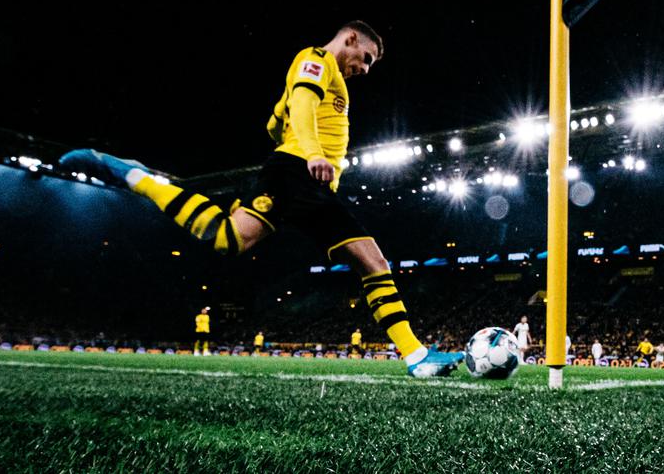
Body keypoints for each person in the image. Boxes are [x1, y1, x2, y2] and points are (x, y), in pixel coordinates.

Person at [60, 22, 463, 378]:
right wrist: (313, 151)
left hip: (297, 176)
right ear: (351, 38)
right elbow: (302, 103)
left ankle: (138, 177)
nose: (365, 68)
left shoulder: (327, 77)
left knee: (231, 239)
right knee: (371, 261)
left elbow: (275, 121)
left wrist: (291, 133)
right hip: (301, 171)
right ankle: (416, 355)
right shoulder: (317, 58)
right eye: (367, 58)